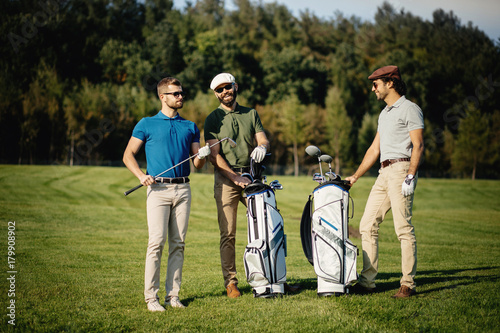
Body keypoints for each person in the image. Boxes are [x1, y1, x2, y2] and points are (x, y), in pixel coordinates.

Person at [123, 77, 211, 312]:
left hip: (183, 189)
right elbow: (128, 155)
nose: (181, 97)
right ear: (163, 97)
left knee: (178, 244)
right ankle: (151, 298)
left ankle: (173, 296)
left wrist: (202, 154)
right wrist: (142, 176)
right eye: (176, 94)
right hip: (158, 190)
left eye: (182, 93)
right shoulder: (146, 123)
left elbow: (198, 164)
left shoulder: (190, 127)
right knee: (156, 243)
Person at [346, 65, 424, 298]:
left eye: (376, 84)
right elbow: (374, 149)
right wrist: (355, 176)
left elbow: (418, 145)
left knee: (403, 228)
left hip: (402, 169)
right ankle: (368, 282)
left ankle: (407, 284)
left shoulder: (410, 109)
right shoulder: (385, 113)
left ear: (390, 82)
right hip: (383, 172)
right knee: (367, 225)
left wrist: (410, 175)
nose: (373, 89)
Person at [203, 73, 270, 298]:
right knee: (228, 233)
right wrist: (235, 178)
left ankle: (269, 276)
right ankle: (231, 282)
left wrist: (262, 146)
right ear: (215, 94)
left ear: (235, 86)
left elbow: (262, 139)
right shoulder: (213, 119)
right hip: (226, 181)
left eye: (228, 87)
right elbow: (214, 155)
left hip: (253, 178)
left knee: (265, 229)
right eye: (220, 90)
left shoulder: (251, 113)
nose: (225, 92)